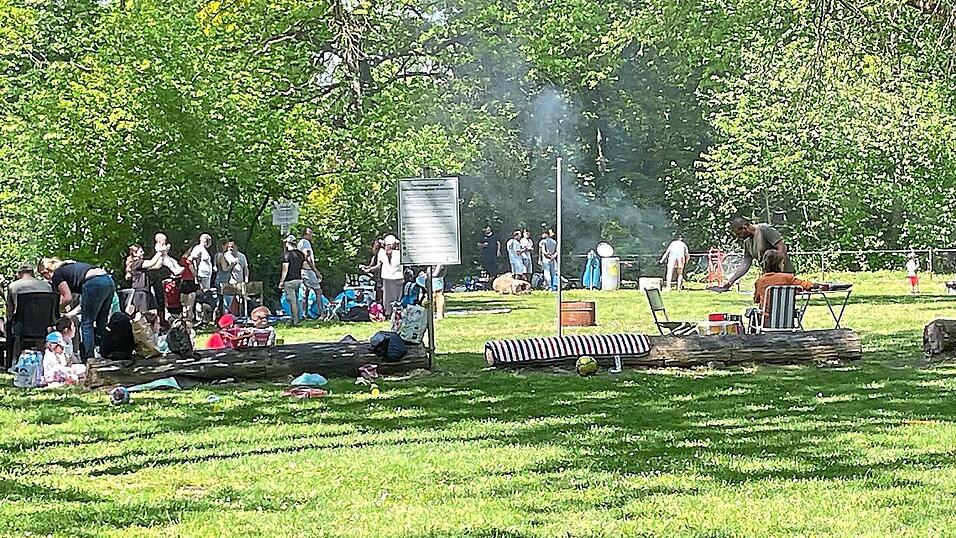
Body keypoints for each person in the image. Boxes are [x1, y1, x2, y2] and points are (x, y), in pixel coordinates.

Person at [39, 258, 116, 361]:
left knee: (87, 323)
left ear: (46, 272)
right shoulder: (68, 266)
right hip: (108, 280)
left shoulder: (57, 274)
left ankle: (89, 358)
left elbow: (67, 297)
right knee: (101, 322)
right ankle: (106, 353)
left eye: (43, 275)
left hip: (93, 282)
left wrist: (56, 311)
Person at [718, 217, 793, 291]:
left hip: (784, 274)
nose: (739, 237)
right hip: (768, 275)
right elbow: (745, 264)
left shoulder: (765, 230)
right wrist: (731, 281)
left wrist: (781, 273)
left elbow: (782, 247)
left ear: (744, 227)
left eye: (739, 234)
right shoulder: (747, 242)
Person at [751, 250, 814, 327]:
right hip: (787, 321)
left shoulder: (760, 281)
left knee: (753, 313)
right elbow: (805, 285)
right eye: (782, 263)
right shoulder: (788, 278)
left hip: (766, 322)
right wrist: (814, 285)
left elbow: (756, 300)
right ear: (779, 264)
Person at [5, 263, 54, 343]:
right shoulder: (47, 286)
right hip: (44, 325)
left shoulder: (13, 286)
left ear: (19, 274)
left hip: (23, 327)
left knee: (10, 323)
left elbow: (10, 312)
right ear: (32, 273)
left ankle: (13, 350)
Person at [361, 234, 403, 317]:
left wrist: (370, 269)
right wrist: (370, 269)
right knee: (388, 298)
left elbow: (378, 265)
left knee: (397, 298)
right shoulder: (382, 253)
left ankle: (397, 314)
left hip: (398, 278)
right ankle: (388, 314)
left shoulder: (399, 253)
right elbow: (379, 265)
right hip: (387, 278)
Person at [278, 235, 310, 326]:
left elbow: (285, 269)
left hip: (289, 281)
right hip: (298, 280)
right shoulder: (300, 254)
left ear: (288, 243)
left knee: (293, 302)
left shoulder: (287, 255)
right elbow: (305, 266)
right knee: (296, 300)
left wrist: (281, 281)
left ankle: (295, 320)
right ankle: (293, 318)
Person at [125, 245, 163, 314]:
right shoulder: (137, 263)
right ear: (135, 253)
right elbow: (151, 263)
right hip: (140, 293)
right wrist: (159, 252)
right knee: (142, 315)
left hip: (145, 291)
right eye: (141, 251)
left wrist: (162, 255)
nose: (143, 252)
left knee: (150, 314)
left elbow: (157, 266)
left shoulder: (140, 264)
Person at [298, 228, 323, 320]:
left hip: (303, 270)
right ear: (306, 234)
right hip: (308, 270)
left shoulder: (300, 243)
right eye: (310, 233)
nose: (312, 235)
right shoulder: (305, 243)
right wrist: (316, 271)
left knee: (305, 293)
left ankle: (304, 314)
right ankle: (322, 314)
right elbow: (307, 257)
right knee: (318, 291)